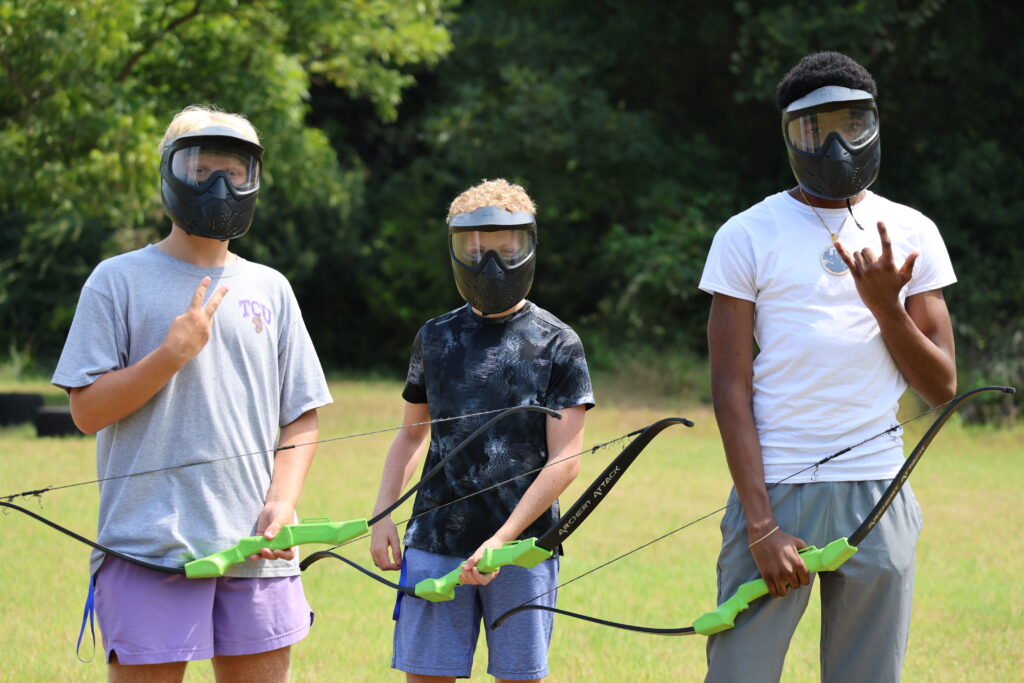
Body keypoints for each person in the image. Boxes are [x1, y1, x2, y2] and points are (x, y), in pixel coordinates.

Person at [698, 52, 957, 682]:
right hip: (777, 491)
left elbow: (942, 386)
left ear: (874, 124)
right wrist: (760, 525)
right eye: (815, 129)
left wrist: (885, 311)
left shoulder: (912, 229)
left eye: (851, 123)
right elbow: (729, 386)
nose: (835, 145)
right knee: (740, 674)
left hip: (879, 492)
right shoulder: (747, 233)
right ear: (789, 135)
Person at [52, 105, 332, 682]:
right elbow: (86, 412)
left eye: (235, 170)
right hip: (147, 549)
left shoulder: (271, 288)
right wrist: (170, 356)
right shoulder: (116, 280)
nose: (219, 185)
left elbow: (301, 416)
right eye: (202, 168)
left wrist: (281, 503)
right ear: (170, 173)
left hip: (258, 554)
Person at [369, 179, 595, 682]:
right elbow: (411, 433)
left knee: (520, 676)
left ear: (528, 246)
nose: (489, 263)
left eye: (504, 247)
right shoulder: (435, 337)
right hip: (433, 539)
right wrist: (382, 514)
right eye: (474, 248)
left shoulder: (559, 343)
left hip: (522, 548)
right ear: (455, 249)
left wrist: (504, 537)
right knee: (426, 674)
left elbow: (566, 460)